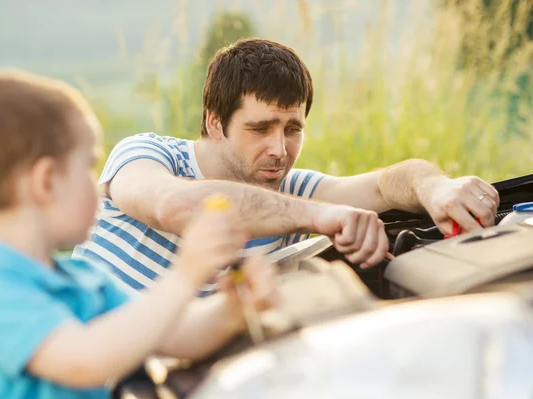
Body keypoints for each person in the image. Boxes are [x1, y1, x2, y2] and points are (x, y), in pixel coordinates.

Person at [0, 70, 278, 399]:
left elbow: (176, 334)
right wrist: (186, 274)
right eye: (88, 166)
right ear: (46, 181)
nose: (98, 183)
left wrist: (234, 308)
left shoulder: (82, 278)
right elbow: (86, 360)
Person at [74, 38, 500, 293]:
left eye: (292, 129)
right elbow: (174, 207)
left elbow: (388, 185)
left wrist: (436, 187)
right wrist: (319, 215)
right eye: (261, 128)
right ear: (214, 122)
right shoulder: (146, 154)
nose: (279, 149)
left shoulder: (287, 191)